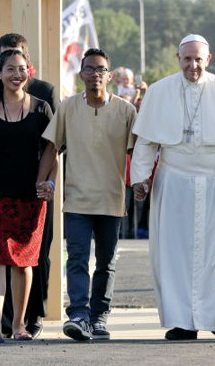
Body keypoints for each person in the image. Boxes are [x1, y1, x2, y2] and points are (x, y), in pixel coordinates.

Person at [131, 34, 215, 341]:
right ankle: (183, 321)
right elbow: (146, 143)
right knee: (176, 255)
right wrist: (140, 179)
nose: (193, 66)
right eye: (187, 59)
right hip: (173, 181)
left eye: (198, 59)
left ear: (208, 59)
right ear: (178, 58)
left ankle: (214, 313)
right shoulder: (160, 92)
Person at [42, 48, 137, 342]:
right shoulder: (68, 107)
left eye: (100, 70)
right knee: (78, 258)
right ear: (81, 74)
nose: (95, 74)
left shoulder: (126, 110)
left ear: (109, 75)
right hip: (77, 199)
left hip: (112, 198)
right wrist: (42, 181)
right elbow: (51, 147)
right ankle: (80, 315)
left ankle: (99, 317)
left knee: (106, 262)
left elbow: (137, 153)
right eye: (89, 69)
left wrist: (145, 183)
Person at [0, 33, 59, 338]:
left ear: (28, 71)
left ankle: (20, 325)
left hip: (29, 197)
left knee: (23, 262)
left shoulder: (43, 107)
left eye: (21, 69)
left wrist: (48, 183)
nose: (16, 75)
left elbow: (52, 150)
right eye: (9, 69)